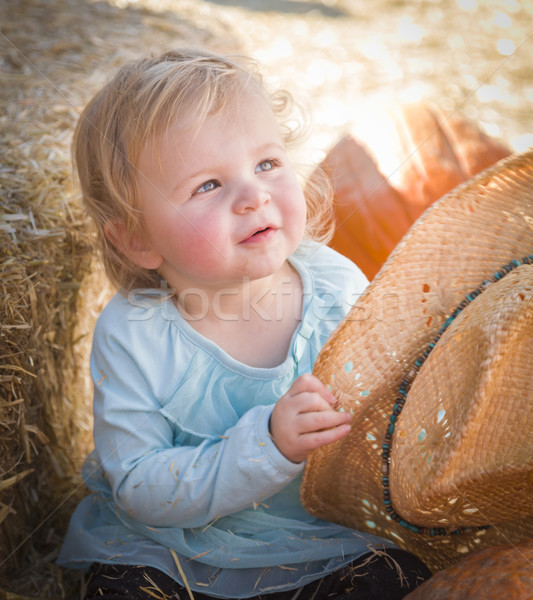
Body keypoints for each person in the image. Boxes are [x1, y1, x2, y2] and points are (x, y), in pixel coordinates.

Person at [57, 48, 431, 599]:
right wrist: (267, 447)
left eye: (266, 164)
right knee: (122, 588)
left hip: (326, 539)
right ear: (137, 238)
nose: (254, 195)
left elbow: (390, 406)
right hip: (175, 548)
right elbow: (138, 483)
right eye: (208, 185)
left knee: (401, 579)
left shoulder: (335, 286)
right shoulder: (134, 333)